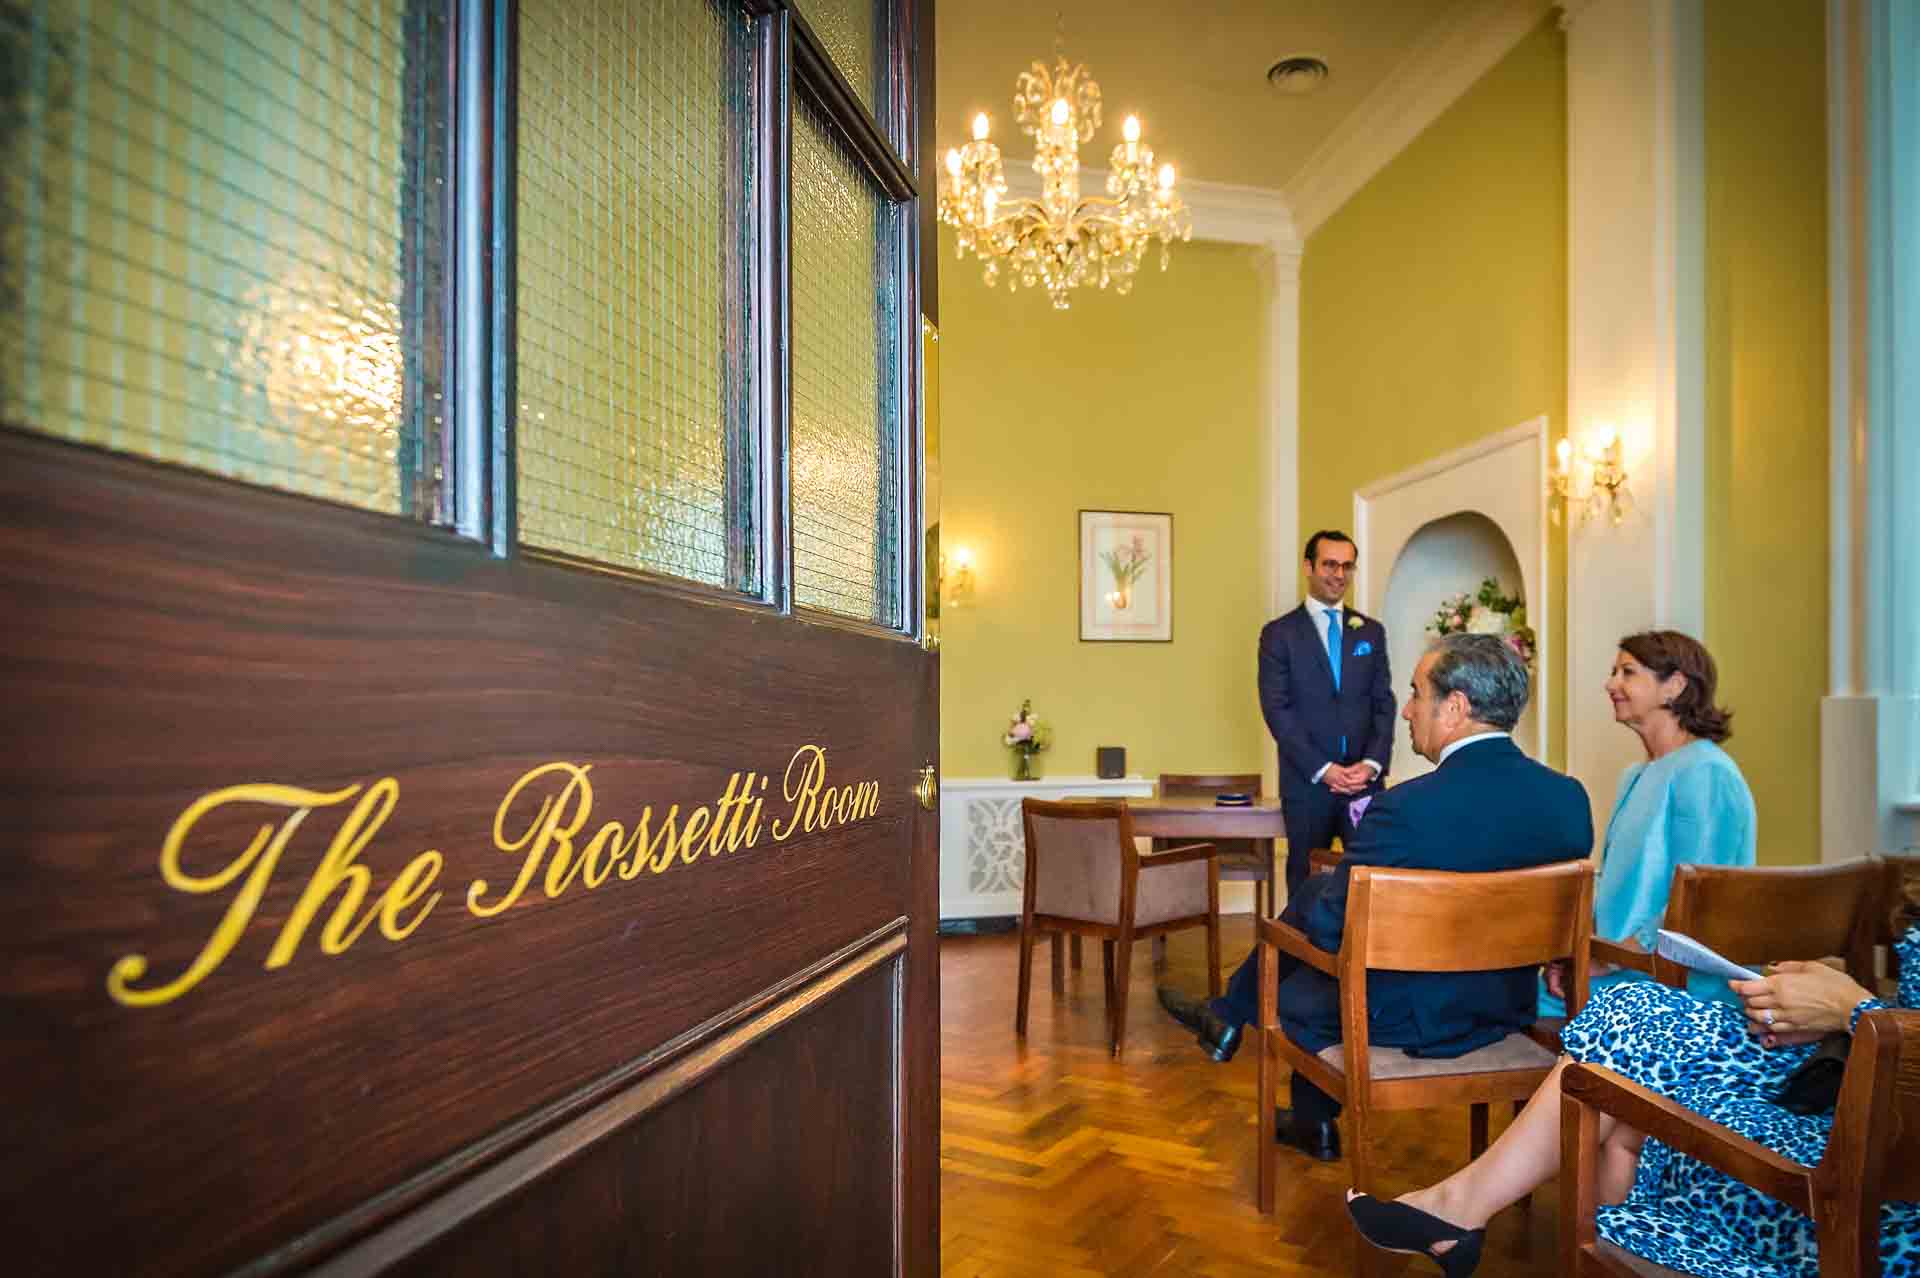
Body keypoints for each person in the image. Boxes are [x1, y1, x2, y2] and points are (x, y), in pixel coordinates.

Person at [1159, 634, 1592, 1161]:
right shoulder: (1568, 800)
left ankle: (1235, 1022)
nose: (1406, 710)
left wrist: (1312, 902)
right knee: (1324, 893)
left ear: (1454, 708)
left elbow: (1328, 930)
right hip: (1506, 1006)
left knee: (1302, 963)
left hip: (1403, 1018)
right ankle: (1291, 1096)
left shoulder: (1403, 809)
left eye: (1416, 693)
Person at [1345, 920, 1920, 1277]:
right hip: (1866, 1061)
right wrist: (1832, 1010)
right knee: (1633, 1011)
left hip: (1894, 1162)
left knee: (1629, 1097)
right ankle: (1461, 1207)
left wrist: (1853, 1010)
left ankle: (1459, 1212)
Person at [1541, 630, 1757, 1017]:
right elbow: (1613, 887)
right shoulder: (1636, 775)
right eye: (1614, 673)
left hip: (1678, 985)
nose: (1611, 684)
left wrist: (1611, 959)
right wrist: (1577, 953)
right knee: (1505, 991)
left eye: (1628, 672)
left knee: (1501, 1001)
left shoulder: (1706, 772)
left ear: (1674, 685)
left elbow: (1698, 902)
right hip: (1620, 965)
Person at [1259, 530, 1398, 896]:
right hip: (1307, 785)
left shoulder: (1371, 631)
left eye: (1347, 566)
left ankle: (1358, 955)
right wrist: (1324, 770)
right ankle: (1301, 955)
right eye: (1330, 564)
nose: (1339, 574)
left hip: (1363, 784)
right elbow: (1277, 709)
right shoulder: (1279, 634)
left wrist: (1371, 764)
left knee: (1368, 883)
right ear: (1309, 566)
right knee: (1305, 883)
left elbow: (1384, 702)